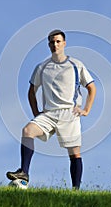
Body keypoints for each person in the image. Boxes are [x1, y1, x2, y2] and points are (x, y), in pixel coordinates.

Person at [6, 29, 96, 189]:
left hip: (70, 114)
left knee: (74, 154)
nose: (55, 44)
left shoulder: (76, 65)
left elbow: (91, 88)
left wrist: (86, 110)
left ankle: (76, 191)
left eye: (58, 41)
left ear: (64, 43)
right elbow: (31, 92)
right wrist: (36, 113)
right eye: (52, 42)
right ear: (48, 45)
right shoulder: (42, 67)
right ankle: (24, 173)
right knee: (27, 131)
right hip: (48, 114)